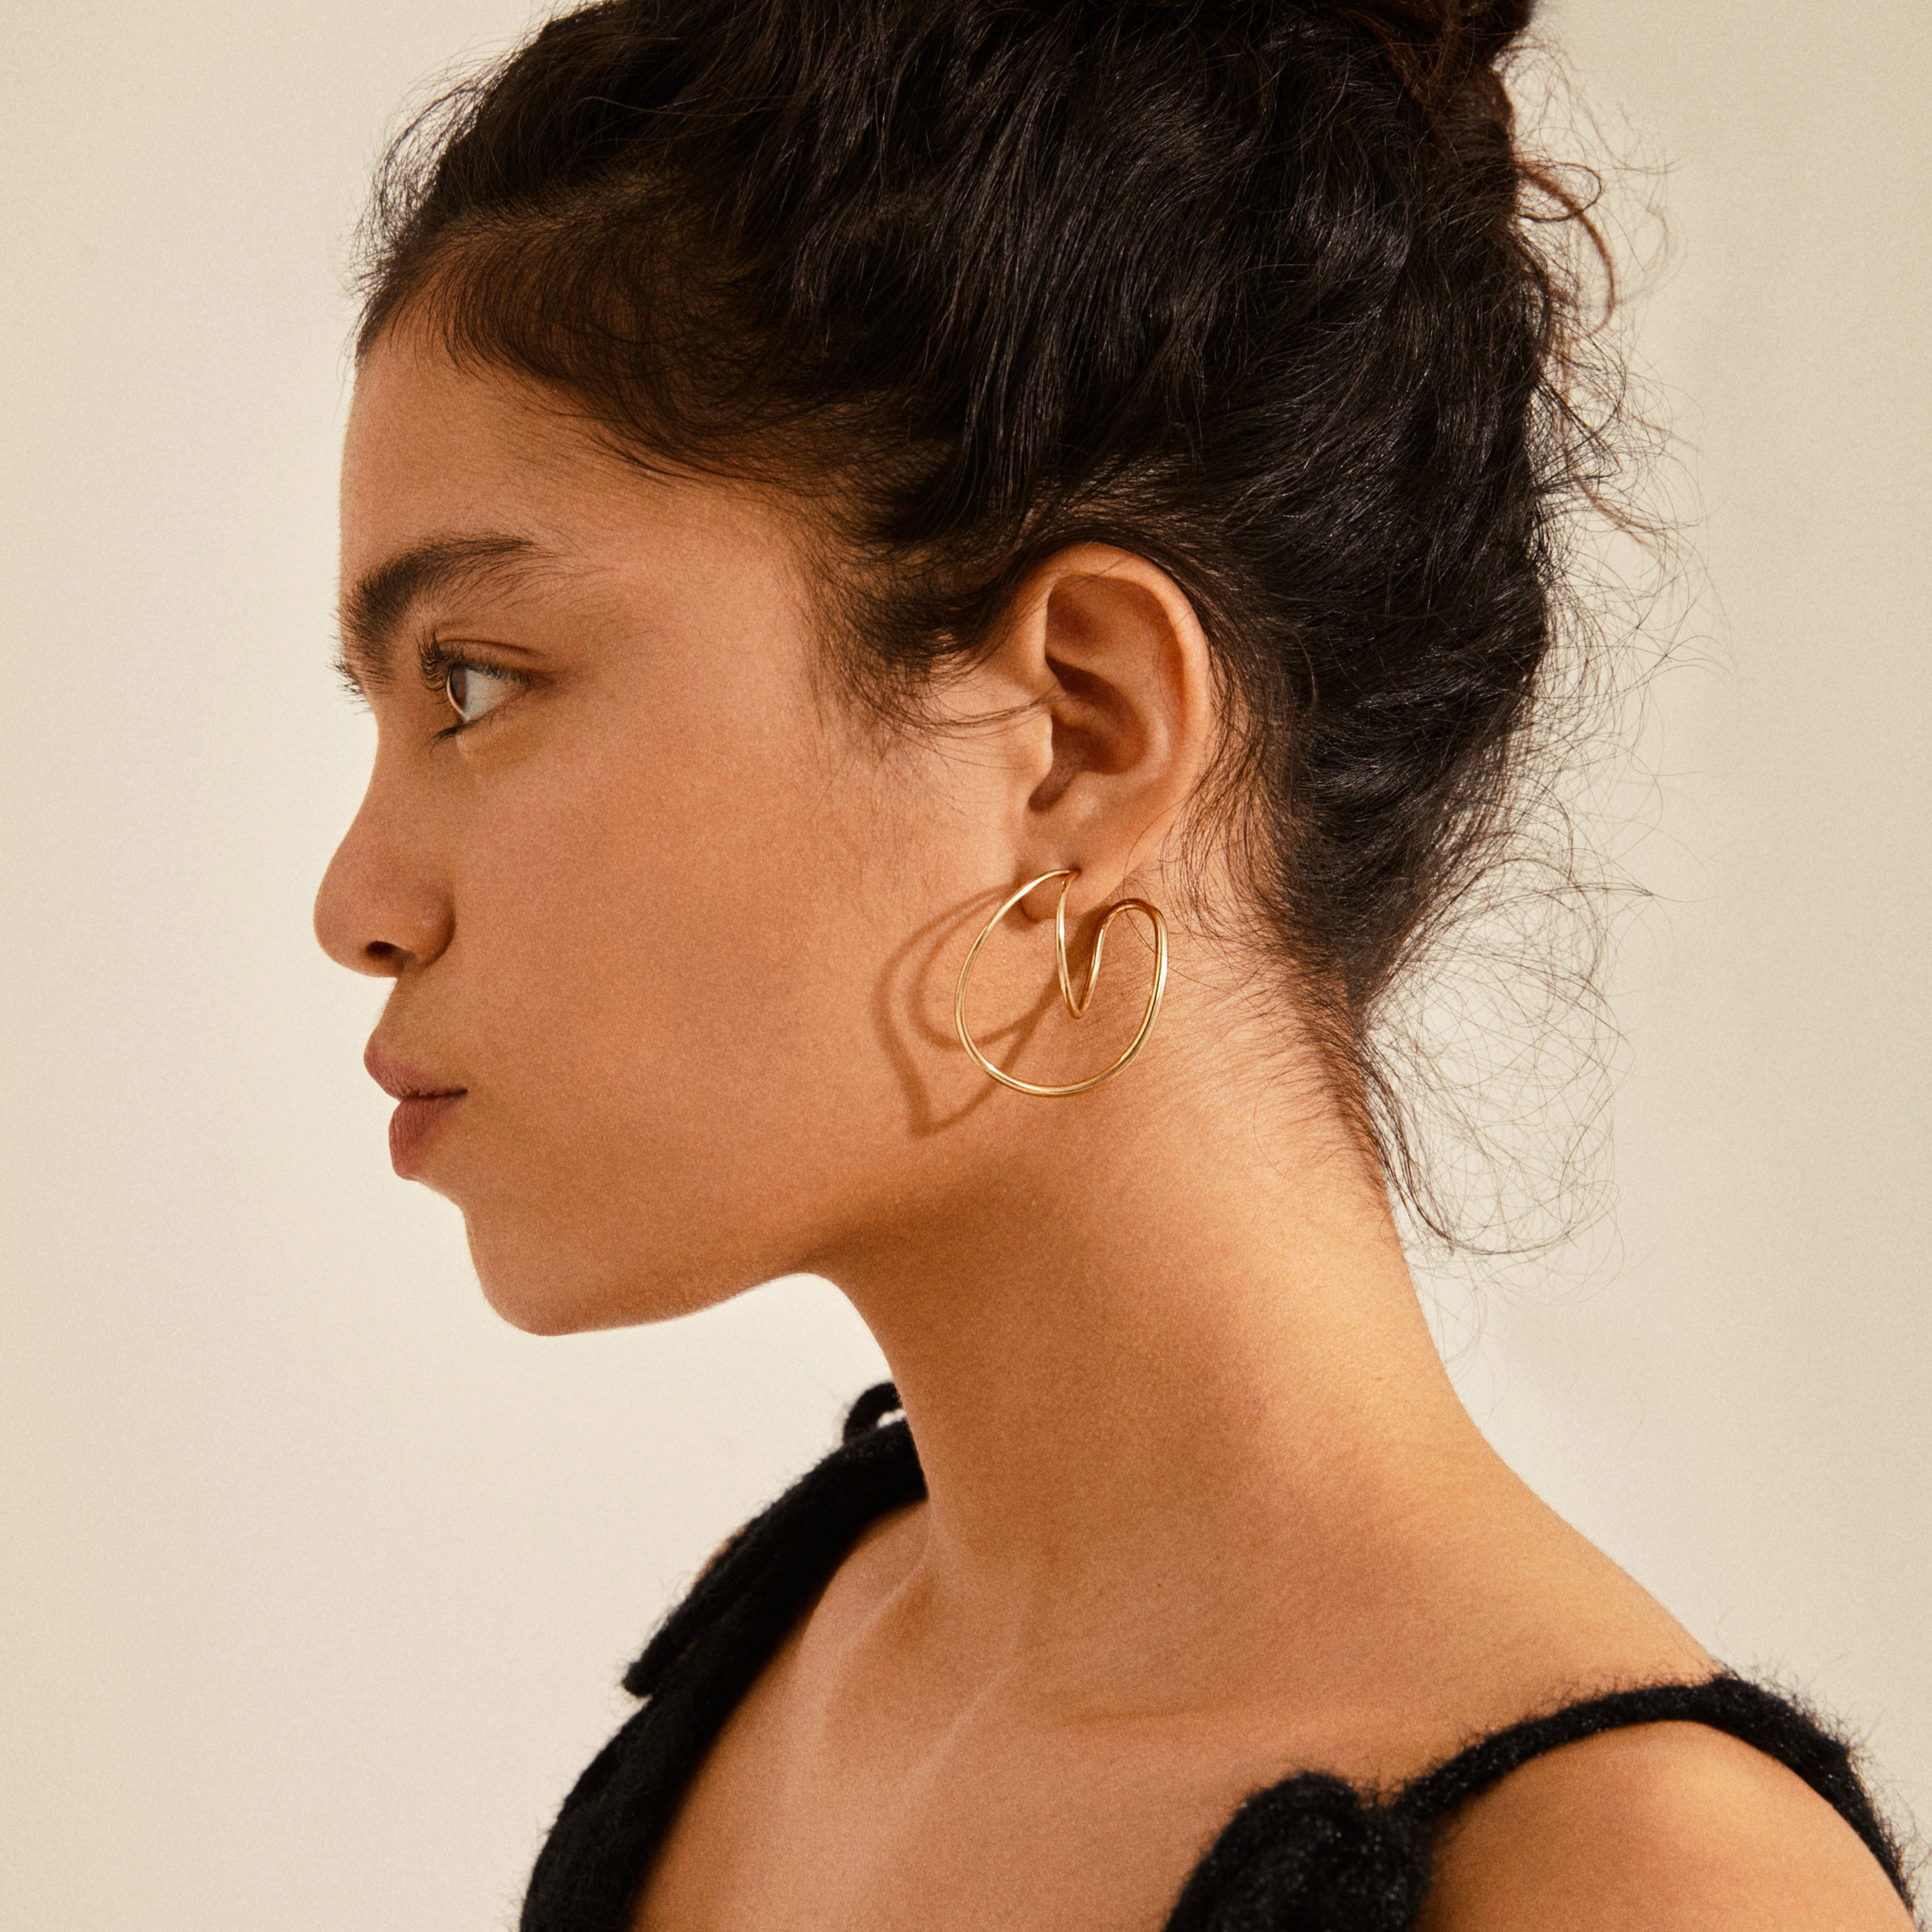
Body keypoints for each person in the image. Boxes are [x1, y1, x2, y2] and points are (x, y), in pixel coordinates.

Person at [313, 1, 1918, 1925]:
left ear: (1076, 731)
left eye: (474, 683)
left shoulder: (1641, 1893)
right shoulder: (783, 1676)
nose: (357, 901)